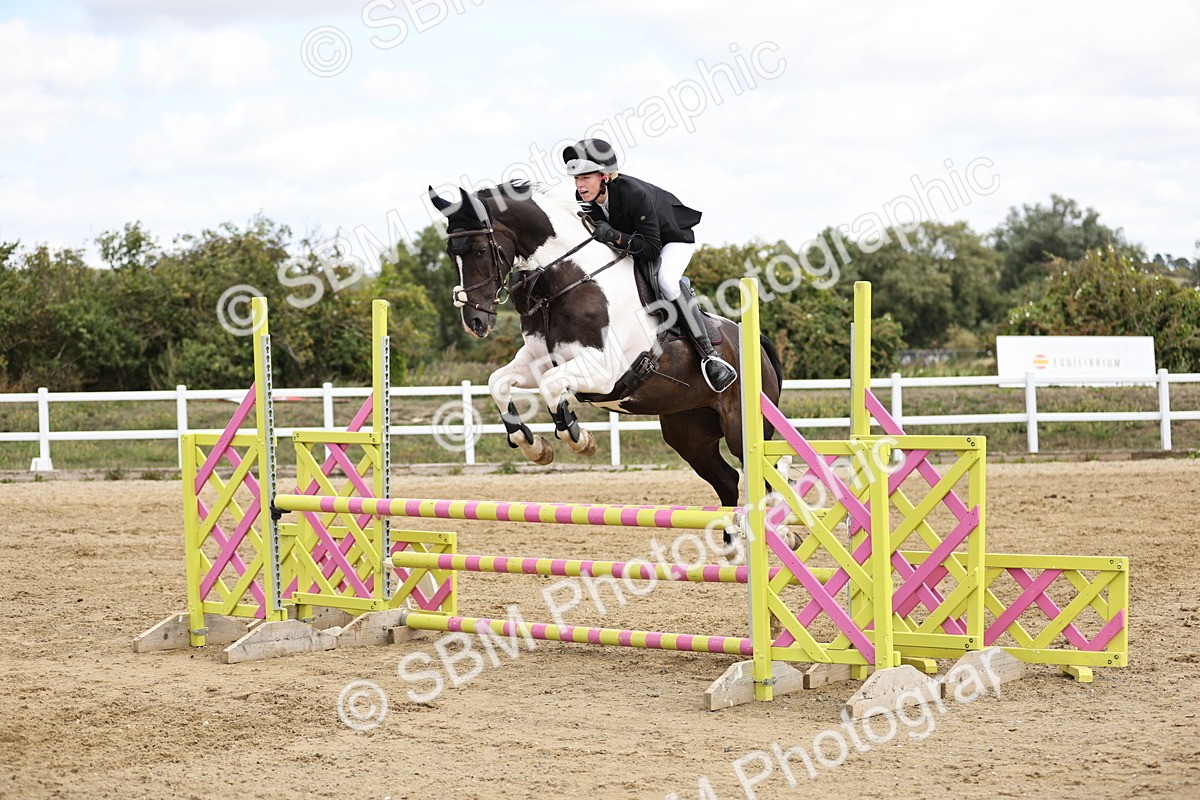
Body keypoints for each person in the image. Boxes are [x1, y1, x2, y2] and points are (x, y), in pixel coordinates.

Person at [562, 138, 737, 393]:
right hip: (636, 241)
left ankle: (711, 357)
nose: (580, 184)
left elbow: (652, 249)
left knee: (666, 279)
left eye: (586, 177)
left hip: (671, 239)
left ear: (605, 177)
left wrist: (614, 236)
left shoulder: (634, 194)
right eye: (576, 178)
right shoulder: (584, 198)